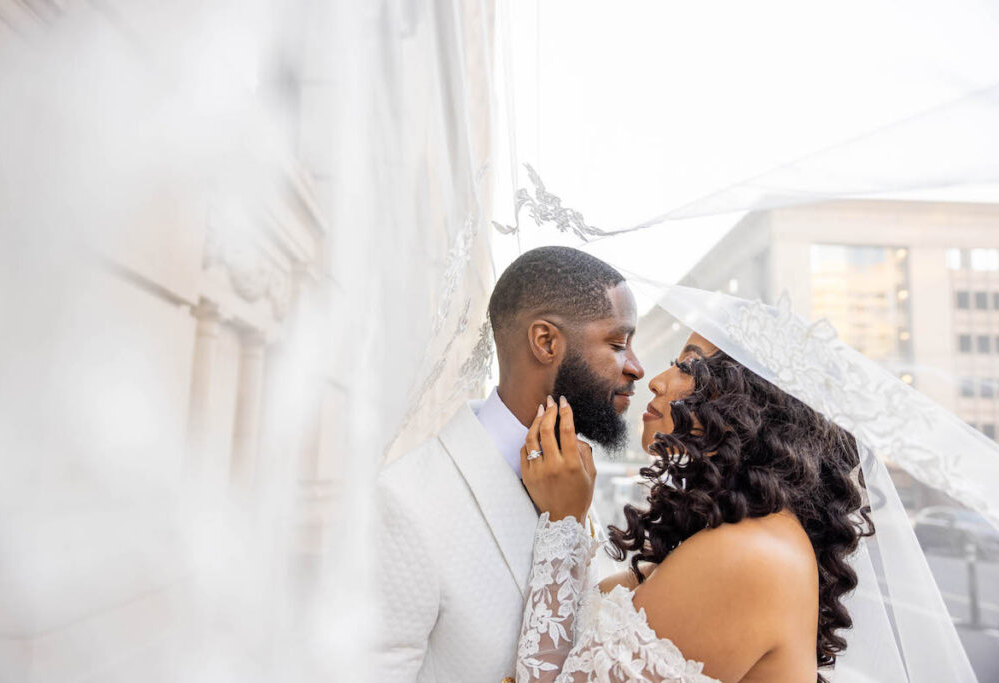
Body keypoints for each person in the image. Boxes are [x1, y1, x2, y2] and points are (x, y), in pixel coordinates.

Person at [516, 332, 874, 683]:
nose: (655, 381)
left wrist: (564, 522)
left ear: (753, 405)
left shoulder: (745, 555)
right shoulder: (728, 536)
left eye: (687, 366)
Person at [373, 246, 645, 682]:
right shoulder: (404, 502)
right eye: (617, 343)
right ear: (545, 342)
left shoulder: (573, 477)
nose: (637, 367)